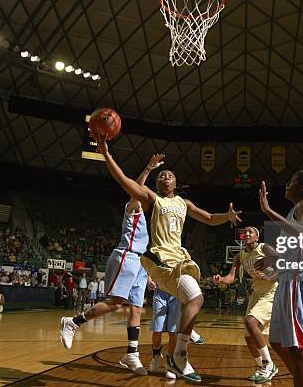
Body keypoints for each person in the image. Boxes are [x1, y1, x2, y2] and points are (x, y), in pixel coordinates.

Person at [94, 132, 241, 383]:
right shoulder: (152, 200)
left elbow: (207, 218)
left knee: (195, 300)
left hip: (179, 259)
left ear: (175, 182)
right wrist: (106, 153)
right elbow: (124, 181)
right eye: (162, 175)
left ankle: (177, 354)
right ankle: (177, 355)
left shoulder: (184, 203)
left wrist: (226, 217)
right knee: (194, 299)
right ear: (157, 183)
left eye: (169, 175)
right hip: (160, 259)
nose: (165, 177)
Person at [60, 154, 163, 375]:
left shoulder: (148, 220)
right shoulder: (133, 208)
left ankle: (131, 355)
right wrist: (148, 168)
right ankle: (73, 322)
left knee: (137, 309)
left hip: (140, 263)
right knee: (116, 303)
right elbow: (134, 187)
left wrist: (149, 275)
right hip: (126, 256)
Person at [256, 170, 303, 387]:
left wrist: (268, 211)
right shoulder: (294, 210)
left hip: (302, 278)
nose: (287, 185)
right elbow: (299, 247)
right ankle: (301, 378)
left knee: (298, 347)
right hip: (290, 277)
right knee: (278, 341)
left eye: (291, 181)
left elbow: (302, 232)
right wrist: (276, 258)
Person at [213, 226, 278, 382]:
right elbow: (231, 276)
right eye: (245, 232)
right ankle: (262, 367)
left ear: (257, 236)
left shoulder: (265, 248)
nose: (247, 233)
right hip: (256, 294)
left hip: (272, 291)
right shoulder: (240, 256)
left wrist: (270, 276)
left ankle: (269, 365)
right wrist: (221, 279)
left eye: (251, 232)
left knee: (250, 321)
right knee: (248, 337)